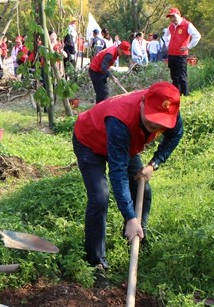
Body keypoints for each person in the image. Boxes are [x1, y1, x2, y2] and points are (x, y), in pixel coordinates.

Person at [72, 82, 183, 277]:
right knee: (100, 196)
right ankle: (96, 261)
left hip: (126, 145)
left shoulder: (169, 112)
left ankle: (135, 236)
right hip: (90, 140)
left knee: (144, 192)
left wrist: (153, 164)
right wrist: (131, 216)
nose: (156, 125)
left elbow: (175, 135)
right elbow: (118, 172)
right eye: (151, 119)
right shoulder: (120, 120)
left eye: (161, 122)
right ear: (142, 103)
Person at [163, 7, 201, 96]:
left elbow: (197, 36)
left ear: (178, 15)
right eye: (170, 17)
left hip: (181, 55)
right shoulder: (171, 26)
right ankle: (176, 95)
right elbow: (166, 36)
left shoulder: (187, 24)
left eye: (173, 16)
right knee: (174, 77)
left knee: (182, 77)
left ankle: (186, 95)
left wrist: (188, 46)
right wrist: (168, 44)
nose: (172, 19)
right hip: (171, 54)